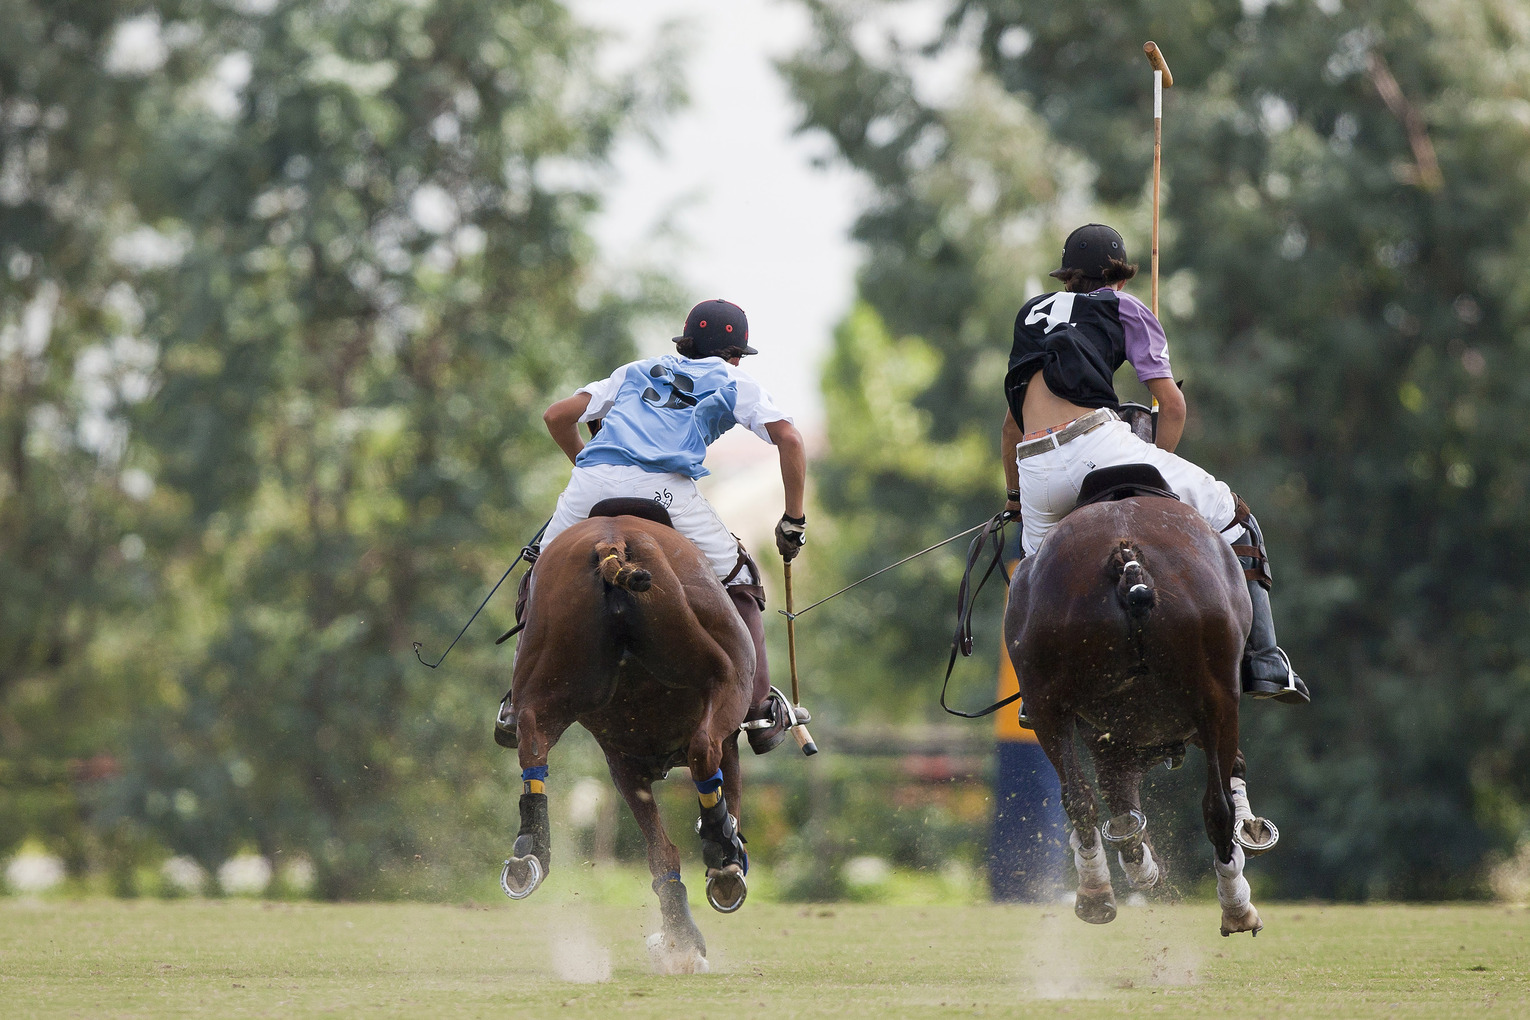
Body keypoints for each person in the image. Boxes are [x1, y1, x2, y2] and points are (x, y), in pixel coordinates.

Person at [1000, 224, 1309, 704]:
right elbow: (1173, 405)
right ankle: (1265, 660)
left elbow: (1009, 428)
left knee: (1032, 579)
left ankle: (1035, 691)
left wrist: (1017, 499)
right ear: (1118, 277)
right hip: (1097, 444)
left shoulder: (1030, 314)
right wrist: (1155, 473)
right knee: (1234, 515)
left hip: (1033, 466)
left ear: (1068, 278)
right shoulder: (1125, 306)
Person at [496, 298, 810, 752]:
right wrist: (794, 519)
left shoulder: (634, 370)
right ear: (736, 354)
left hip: (590, 485)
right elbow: (791, 439)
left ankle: (516, 699)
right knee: (742, 577)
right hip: (666, 490)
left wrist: (590, 465)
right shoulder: (734, 380)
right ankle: (759, 710)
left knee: (539, 576)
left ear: (685, 343)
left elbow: (556, 416)